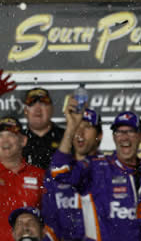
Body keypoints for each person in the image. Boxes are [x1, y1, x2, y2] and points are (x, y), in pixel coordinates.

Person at [51, 110, 141, 240]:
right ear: (113, 137)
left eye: (130, 131)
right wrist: (71, 129)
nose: (124, 137)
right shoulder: (96, 167)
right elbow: (59, 172)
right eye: (119, 132)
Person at [41, 103, 102, 241]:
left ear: (99, 135)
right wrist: (70, 127)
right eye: (76, 127)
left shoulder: (106, 168)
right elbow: (51, 221)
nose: (80, 133)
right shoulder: (55, 171)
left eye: (87, 127)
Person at [21, 87, 64, 170]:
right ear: (25, 111)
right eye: (32, 103)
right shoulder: (16, 140)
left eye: (43, 103)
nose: (38, 108)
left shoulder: (66, 137)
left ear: (52, 109)